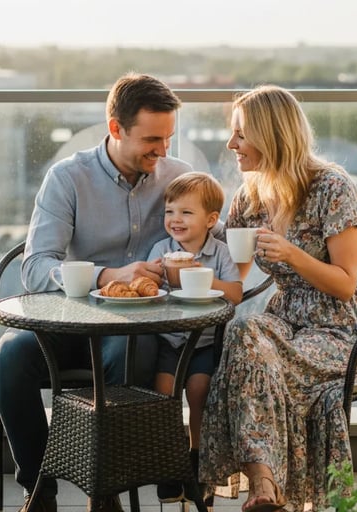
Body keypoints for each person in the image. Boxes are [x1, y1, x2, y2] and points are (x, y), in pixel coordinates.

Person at [0, 72, 198, 512]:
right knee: (10, 356)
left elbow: (220, 232)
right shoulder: (68, 178)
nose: (162, 151)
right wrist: (107, 275)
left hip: (135, 330)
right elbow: (34, 267)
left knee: (131, 354)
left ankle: (104, 490)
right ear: (115, 129)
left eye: (168, 139)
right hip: (69, 321)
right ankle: (38, 489)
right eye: (151, 140)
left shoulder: (179, 178)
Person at [199, 85, 357, 512]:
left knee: (253, 364)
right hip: (287, 320)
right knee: (244, 332)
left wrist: (293, 255)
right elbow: (235, 270)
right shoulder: (250, 196)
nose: (231, 145)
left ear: (272, 135)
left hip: (345, 328)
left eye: (241, 135)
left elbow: (344, 284)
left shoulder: (332, 187)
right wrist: (175, 262)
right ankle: (265, 485)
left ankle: (264, 487)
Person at [146, 172, 243, 504]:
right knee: (164, 392)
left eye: (186, 213)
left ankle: (197, 457)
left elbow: (235, 293)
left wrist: (205, 278)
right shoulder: (161, 250)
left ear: (211, 220)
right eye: (170, 211)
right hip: (169, 340)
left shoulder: (219, 253)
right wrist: (155, 275)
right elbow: (150, 291)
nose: (175, 219)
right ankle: (170, 462)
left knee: (200, 390)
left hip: (203, 342)